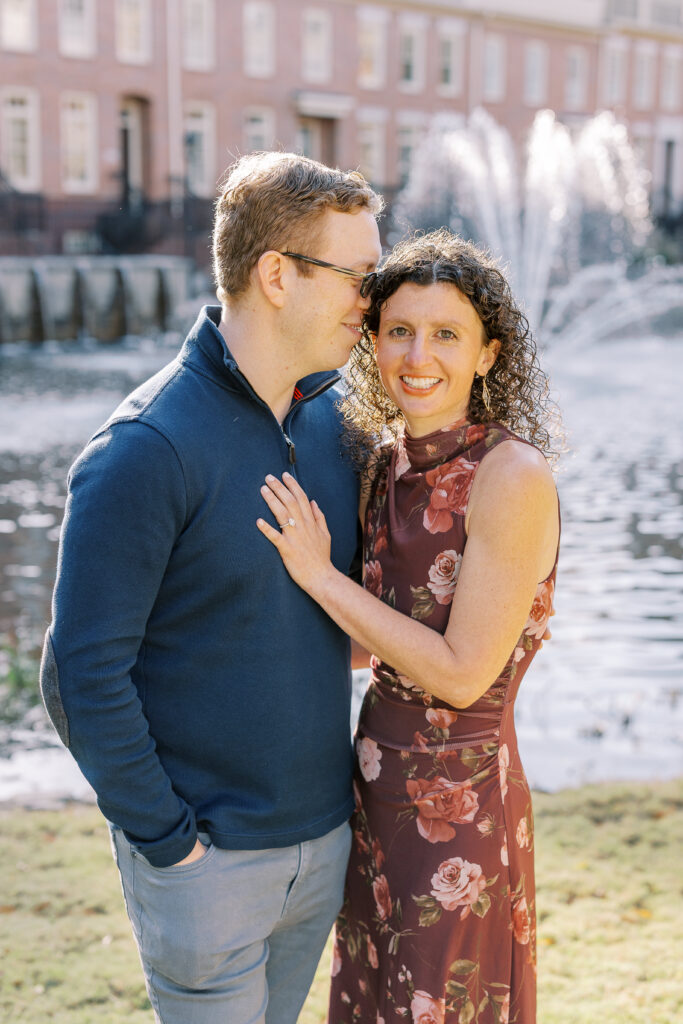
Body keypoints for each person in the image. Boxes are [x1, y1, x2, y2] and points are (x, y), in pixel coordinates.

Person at [39, 151, 383, 1024]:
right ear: (277, 275)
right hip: (208, 866)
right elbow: (79, 676)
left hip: (323, 842)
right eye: (358, 277)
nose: (370, 302)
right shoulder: (143, 450)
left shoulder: (336, 425)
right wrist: (170, 845)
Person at [257, 229, 560, 1024]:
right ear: (373, 341)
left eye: (446, 334)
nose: (417, 355)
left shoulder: (511, 476)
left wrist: (320, 575)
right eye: (398, 330)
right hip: (371, 796)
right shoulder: (384, 460)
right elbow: (372, 645)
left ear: (488, 354)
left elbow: (460, 673)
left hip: (461, 815)